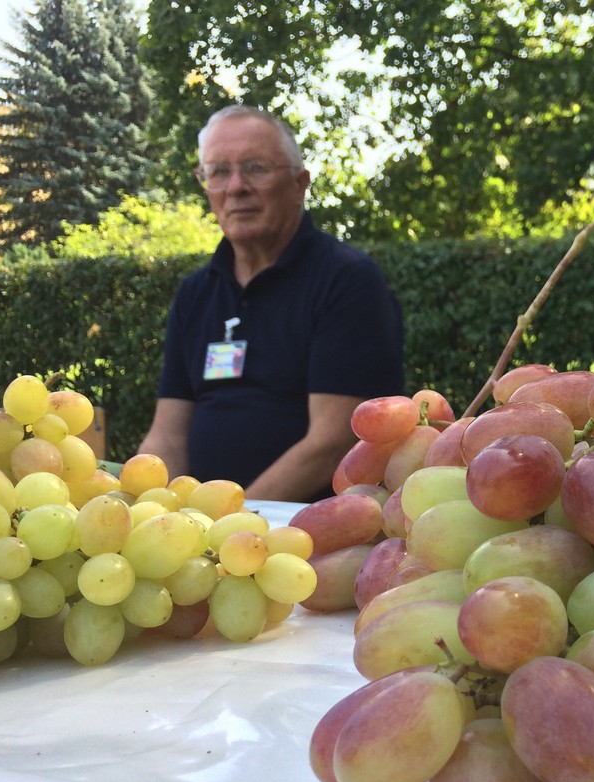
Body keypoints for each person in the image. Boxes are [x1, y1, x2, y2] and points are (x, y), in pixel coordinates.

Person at [137, 105, 404, 502]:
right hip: (210, 535)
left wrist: (231, 523)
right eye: (218, 172)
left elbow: (333, 442)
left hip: (308, 535)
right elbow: (168, 435)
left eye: (257, 167)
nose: (236, 186)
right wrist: (146, 510)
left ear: (300, 184)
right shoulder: (196, 293)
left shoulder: (346, 280)